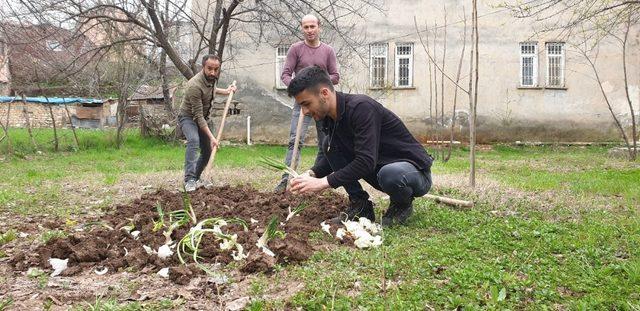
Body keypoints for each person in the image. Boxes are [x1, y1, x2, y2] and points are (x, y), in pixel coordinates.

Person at [288, 66, 433, 226]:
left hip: (413, 173)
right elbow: (330, 153)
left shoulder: (361, 108)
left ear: (324, 93)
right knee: (327, 143)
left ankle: (402, 205)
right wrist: (312, 174)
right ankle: (361, 205)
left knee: (390, 174)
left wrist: (323, 183)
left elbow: (365, 161)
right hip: (380, 172)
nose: (305, 111)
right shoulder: (328, 117)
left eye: (306, 104)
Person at [275, 14, 351, 194]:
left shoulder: (328, 51)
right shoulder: (296, 49)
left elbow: (335, 76)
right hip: (302, 103)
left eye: (312, 27)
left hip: (322, 104)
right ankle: (286, 180)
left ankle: (316, 182)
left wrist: (318, 83)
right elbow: (285, 74)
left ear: (319, 27)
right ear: (302, 28)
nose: (309, 30)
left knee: (325, 142)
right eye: (306, 27)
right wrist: (299, 91)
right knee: (295, 140)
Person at [177, 54, 237, 192]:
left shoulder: (212, 79)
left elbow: (211, 90)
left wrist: (226, 91)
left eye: (216, 69)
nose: (213, 72)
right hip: (188, 117)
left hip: (203, 118)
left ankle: (197, 178)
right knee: (193, 140)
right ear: (203, 67)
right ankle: (189, 180)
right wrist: (212, 138)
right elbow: (198, 116)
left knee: (207, 151)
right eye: (209, 68)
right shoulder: (194, 85)